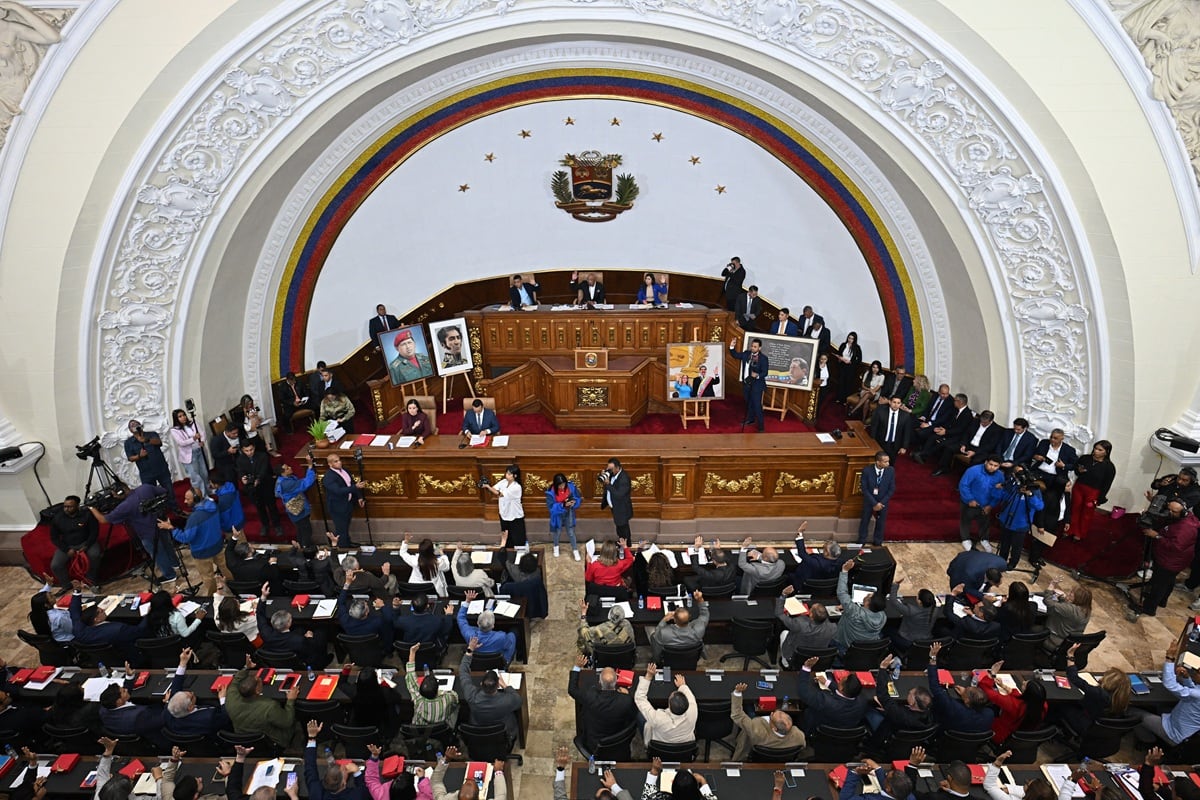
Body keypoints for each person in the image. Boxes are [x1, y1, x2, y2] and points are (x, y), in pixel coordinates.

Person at [92, 482, 178, 586]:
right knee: (167, 545)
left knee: (157, 553)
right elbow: (164, 491)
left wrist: (91, 507)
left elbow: (103, 520)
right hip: (162, 523)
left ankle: (169, 575)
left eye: (115, 494)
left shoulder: (125, 506)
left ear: (120, 492)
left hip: (147, 533)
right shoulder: (145, 488)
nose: (114, 497)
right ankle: (175, 564)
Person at [1131, 499, 1199, 620]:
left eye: (1174, 511)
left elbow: (1176, 547)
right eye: (1169, 509)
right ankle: (1162, 601)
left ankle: (1149, 608)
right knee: (1168, 581)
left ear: (1183, 512)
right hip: (1173, 559)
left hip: (1171, 560)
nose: (1170, 513)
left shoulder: (1186, 528)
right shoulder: (1182, 519)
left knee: (1159, 584)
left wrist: (1156, 536)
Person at [1131, 644, 1200, 747]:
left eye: (1199, 672)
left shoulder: (1197, 695)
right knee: (1156, 706)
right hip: (1179, 725)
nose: (1195, 672)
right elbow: (1193, 692)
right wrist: (1186, 678)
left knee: (1132, 712)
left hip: (1173, 732)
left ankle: (1148, 742)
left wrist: (1170, 659)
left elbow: (1170, 685)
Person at [160, 488, 227, 594]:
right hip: (217, 545)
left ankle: (212, 597)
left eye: (187, 499)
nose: (185, 502)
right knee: (225, 567)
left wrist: (171, 528)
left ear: (195, 499)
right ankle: (235, 586)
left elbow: (185, 538)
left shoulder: (194, 518)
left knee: (208, 577)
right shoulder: (212, 505)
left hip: (202, 552)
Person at [225, 656, 299, 749]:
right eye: (260, 682)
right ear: (257, 691)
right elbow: (287, 722)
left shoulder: (231, 697)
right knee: (296, 720)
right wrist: (290, 701)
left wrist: (246, 668)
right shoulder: (269, 706)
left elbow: (235, 681)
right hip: (273, 741)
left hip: (245, 739)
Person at [568, 656, 638, 750]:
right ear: (616, 681)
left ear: (600, 682)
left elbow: (572, 690)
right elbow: (633, 715)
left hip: (594, 743)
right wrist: (626, 696)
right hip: (618, 743)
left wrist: (577, 667)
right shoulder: (626, 700)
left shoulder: (590, 696)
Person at [256, 582, 332, 668]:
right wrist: (310, 638)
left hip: (282, 656)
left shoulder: (266, 633)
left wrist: (263, 597)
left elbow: (260, 615)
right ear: (288, 624)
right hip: (302, 661)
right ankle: (323, 660)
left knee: (301, 629)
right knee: (321, 632)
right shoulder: (298, 640)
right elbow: (311, 648)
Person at [459, 643, 522, 745]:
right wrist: (506, 686)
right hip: (503, 734)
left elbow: (463, 671)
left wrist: (470, 650)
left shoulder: (471, 696)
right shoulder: (507, 701)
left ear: (481, 683)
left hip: (479, 731)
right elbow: (519, 701)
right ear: (498, 685)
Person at [925, 641, 994, 733]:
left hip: (944, 732)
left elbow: (936, 688)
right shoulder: (989, 714)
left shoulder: (955, 708)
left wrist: (933, 657)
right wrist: (964, 694)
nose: (964, 688)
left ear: (967, 701)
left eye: (966, 690)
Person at [728, 682, 807, 760]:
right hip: (775, 758)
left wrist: (737, 693)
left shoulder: (756, 730)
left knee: (749, 708)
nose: (773, 712)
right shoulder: (799, 736)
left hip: (755, 737)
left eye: (772, 715)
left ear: (774, 728)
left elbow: (737, 715)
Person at [163, 647, 232, 736]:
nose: (192, 692)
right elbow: (225, 718)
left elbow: (175, 689)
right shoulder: (209, 717)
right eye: (191, 696)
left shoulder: (169, 714)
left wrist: (182, 663)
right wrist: (223, 699)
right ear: (190, 707)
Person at [796, 656, 872, 733]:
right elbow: (845, 692)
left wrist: (806, 668)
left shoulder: (825, 701)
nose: (841, 679)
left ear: (841, 688)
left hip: (817, 729)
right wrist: (827, 683)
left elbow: (803, 692)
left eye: (841, 680)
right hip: (843, 733)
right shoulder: (863, 701)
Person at [976, 662, 1048, 744]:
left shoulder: (1014, 705)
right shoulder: (1043, 705)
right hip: (1022, 737)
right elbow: (1021, 697)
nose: (1023, 682)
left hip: (1002, 734)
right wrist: (1003, 686)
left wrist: (992, 674)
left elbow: (987, 691)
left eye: (1025, 685)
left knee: (986, 712)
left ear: (1027, 694)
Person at [869, 657, 933, 741]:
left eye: (911, 694)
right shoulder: (929, 716)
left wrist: (883, 668)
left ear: (913, 702)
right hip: (907, 741)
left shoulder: (900, 715)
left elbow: (883, 696)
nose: (909, 691)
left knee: (868, 708)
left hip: (887, 736)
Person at [1030, 428, 1077, 539]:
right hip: (1040, 473)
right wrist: (1036, 456)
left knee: (1050, 499)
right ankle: (1030, 520)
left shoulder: (1068, 450)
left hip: (1055, 477)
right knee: (1031, 490)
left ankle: (1043, 525)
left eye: (1055, 438)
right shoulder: (1043, 443)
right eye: (1051, 437)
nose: (1052, 439)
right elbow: (1034, 453)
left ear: (1062, 438)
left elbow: (1074, 465)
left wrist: (1064, 466)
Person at [1064, 440, 1116, 541]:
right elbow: (1076, 470)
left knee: (1086, 513)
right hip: (1079, 487)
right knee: (1074, 508)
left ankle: (1079, 533)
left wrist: (1100, 498)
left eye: (1100, 450)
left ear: (1106, 452)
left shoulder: (1109, 467)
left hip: (1093, 491)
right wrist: (1078, 471)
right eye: (1095, 448)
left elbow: (1106, 484)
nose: (1096, 451)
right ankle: (1070, 529)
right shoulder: (1085, 458)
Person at [833, 558, 887, 653]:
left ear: (867, 603)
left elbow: (842, 592)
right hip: (866, 648)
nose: (867, 594)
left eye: (869, 595)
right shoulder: (883, 616)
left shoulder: (854, 612)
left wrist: (845, 571)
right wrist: (847, 606)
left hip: (845, 646)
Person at [49, 494, 101, 590]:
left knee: (95, 555)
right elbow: (54, 537)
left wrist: (86, 545)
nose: (66, 509)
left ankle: (90, 580)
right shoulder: (58, 518)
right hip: (68, 545)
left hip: (86, 542)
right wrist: (66, 549)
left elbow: (94, 532)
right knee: (55, 565)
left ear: (77, 506)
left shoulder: (87, 515)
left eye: (70, 507)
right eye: (65, 506)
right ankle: (66, 585)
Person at [995, 471, 1045, 569]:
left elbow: (1040, 506)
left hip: (1021, 524)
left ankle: (1012, 563)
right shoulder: (1015, 487)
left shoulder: (1034, 490)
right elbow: (1005, 497)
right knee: (1004, 544)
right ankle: (1001, 560)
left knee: (1016, 547)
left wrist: (1030, 495)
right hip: (1007, 520)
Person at [776, 588, 835, 668]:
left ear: (811, 615)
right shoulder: (833, 627)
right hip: (816, 657)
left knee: (784, 633)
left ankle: (786, 663)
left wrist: (783, 595)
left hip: (794, 656)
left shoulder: (799, 624)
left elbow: (779, 614)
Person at [404, 642, 459, 726]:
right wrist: (442, 692)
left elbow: (410, 675)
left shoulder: (418, 699)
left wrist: (412, 652)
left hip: (420, 731)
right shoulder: (447, 698)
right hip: (440, 730)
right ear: (437, 690)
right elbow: (455, 697)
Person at [237, 439, 283, 539]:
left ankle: (277, 525)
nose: (249, 452)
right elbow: (240, 471)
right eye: (246, 451)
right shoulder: (240, 459)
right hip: (252, 489)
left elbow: (264, 470)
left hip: (265, 485)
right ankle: (265, 525)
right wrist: (243, 478)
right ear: (242, 450)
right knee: (259, 508)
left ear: (254, 447)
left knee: (272, 506)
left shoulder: (262, 456)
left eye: (251, 450)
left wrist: (258, 479)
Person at [303, 721, 361, 800]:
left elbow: (310, 767)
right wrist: (357, 771)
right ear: (343, 783)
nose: (343, 766)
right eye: (344, 770)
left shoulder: (316, 792)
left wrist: (312, 737)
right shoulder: (354, 796)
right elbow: (365, 789)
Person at [958, 455, 1005, 551]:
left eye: (995, 466)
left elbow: (999, 492)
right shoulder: (973, 470)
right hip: (971, 502)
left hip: (986, 504)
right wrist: (969, 499)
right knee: (966, 520)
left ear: (999, 466)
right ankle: (965, 539)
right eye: (990, 464)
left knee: (985, 522)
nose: (992, 467)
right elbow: (963, 485)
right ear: (986, 462)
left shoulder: (1000, 475)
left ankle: (984, 539)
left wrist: (991, 505)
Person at [458, 590, 516, 663]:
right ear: (493, 626)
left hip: (477, 662)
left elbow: (460, 618)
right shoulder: (501, 636)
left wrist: (467, 601)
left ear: (477, 623)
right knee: (512, 635)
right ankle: (506, 661)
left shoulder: (469, 635)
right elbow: (508, 645)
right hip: (498, 663)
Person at [649, 590, 709, 661]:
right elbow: (704, 614)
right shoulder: (699, 629)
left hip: (669, 660)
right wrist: (700, 599)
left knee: (651, 631)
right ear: (689, 618)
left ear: (674, 620)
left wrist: (664, 620)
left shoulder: (664, 633)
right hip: (690, 659)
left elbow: (656, 635)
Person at [914, 392, 973, 463]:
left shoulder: (967, 414)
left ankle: (923, 454)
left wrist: (946, 432)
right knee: (933, 436)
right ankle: (922, 455)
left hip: (957, 437)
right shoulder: (955, 410)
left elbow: (960, 429)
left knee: (943, 443)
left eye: (955, 400)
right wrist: (942, 428)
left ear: (959, 402)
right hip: (949, 431)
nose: (953, 402)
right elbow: (949, 422)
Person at [323, 453, 365, 547]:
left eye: (339, 460)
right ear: (330, 464)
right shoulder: (328, 477)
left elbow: (351, 483)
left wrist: (359, 497)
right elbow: (338, 491)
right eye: (336, 461)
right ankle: (343, 547)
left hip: (347, 504)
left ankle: (347, 542)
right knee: (341, 528)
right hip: (337, 507)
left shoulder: (344, 470)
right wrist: (355, 487)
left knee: (346, 526)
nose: (339, 462)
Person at [276, 456, 317, 547]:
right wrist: (310, 467)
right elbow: (305, 483)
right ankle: (306, 548)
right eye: (287, 468)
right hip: (299, 510)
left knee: (300, 530)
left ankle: (302, 546)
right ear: (283, 473)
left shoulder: (281, 480)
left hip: (294, 510)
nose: (290, 467)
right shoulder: (287, 483)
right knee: (306, 530)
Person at [886, 581, 938, 654]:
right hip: (925, 641)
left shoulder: (911, 611)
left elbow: (893, 600)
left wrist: (895, 585)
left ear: (919, 601)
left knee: (887, 629)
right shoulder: (935, 610)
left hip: (907, 640)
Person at [729, 337, 769, 431]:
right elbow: (735, 355)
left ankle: (761, 426)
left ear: (760, 348)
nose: (753, 348)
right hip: (746, 383)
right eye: (752, 346)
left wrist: (757, 375)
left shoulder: (763, 358)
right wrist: (732, 346)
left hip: (757, 385)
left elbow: (765, 372)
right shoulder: (746, 354)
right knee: (749, 403)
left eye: (755, 347)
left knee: (757, 404)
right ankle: (750, 419)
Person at [1042, 577, 1092, 651]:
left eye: (1072, 593)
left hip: (1054, 641)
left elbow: (1048, 601)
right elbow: (1068, 608)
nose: (1069, 593)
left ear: (1078, 598)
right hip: (1069, 643)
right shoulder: (1086, 609)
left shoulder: (1070, 609)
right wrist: (1064, 598)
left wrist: (1052, 585)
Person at [482, 464, 525, 547]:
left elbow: (500, 494)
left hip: (515, 516)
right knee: (506, 535)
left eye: (509, 474)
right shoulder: (503, 482)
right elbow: (494, 489)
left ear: (515, 476)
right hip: (504, 513)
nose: (506, 475)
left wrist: (488, 486)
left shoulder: (517, 487)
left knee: (517, 538)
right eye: (506, 473)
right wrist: (488, 486)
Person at [124, 418, 173, 492]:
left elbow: (159, 442)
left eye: (136, 423)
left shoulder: (152, 434)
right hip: (146, 473)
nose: (135, 425)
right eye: (132, 425)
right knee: (150, 493)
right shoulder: (128, 443)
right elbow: (130, 458)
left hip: (161, 468)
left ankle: (172, 503)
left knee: (169, 489)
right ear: (130, 430)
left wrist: (146, 440)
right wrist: (139, 456)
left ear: (141, 426)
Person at [859, 451, 896, 545]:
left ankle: (878, 541)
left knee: (881, 522)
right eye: (885, 462)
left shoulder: (891, 470)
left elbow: (891, 489)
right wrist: (874, 503)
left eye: (888, 461)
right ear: (878, 462)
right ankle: (862, 540)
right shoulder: (867, 470)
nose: (888, 464)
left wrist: (881, 503)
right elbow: (864, 488)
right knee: (865, 520)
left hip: (883, 501)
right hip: (869, 501)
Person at [168, 408, 208, 496]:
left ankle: (208, 490)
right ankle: (202, 495)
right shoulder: (174, 430)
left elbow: (202, 433)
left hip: (199, 450)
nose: (183, 417)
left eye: (184, 415)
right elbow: (181, 443)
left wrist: (202, 441)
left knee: (204, 473)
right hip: (188, 455)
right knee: (195, 477)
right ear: (176, 418)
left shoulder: (193, 423)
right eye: (180, 416)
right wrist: (193, 439)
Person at [545, 472, 582, 559]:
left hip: (569, 512)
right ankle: (556, 547)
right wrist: (562, 505)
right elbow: (551, 508)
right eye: (560, 485)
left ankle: (575, 550)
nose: (562, 487)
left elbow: (577, 497)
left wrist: (574, 502)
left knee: (571, 532)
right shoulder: (551, 492)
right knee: (557, 532)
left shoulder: (571, 487)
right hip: (558, 515)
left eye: (563, 484)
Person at [839, 760, 914, 800]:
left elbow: (845, 798)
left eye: (886, 775)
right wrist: (877, 768)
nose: (885, 774)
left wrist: (855, 773)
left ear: (888, 788)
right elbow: (890, 786)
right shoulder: (907, 793)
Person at [599, 458, 633, 539]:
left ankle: (626, 546)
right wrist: (603, 475)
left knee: (623, 529)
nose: (609, 471)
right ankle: (621, 542)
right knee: (619, 527)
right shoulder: (612, 474)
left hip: (622, 509)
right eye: (608, 468)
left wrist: (608, 484)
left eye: (611, 469)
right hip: (615, 507)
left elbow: (619, 495)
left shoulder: (624, 479)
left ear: (618, 468)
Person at [870, 395, 911, 460]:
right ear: (890, 402)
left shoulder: (905, 416)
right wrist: (872, 442)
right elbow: (874, 427)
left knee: (891, 464)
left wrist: (904, 447)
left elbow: (907, 432)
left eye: (898, 403)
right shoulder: (880, 412)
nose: (896, 405)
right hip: (880, 442)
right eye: (894, 402)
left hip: (895, 445)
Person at [835, 332, 864, 401]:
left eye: (852, 339)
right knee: (841, 382)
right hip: (842, 365)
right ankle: (839, 398)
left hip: (850, 367)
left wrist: (850, 362)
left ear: (854, 340)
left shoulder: (857, 347)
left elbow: (859, 359)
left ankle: (846, 399)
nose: (850, 340)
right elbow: (839, 354)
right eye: (849, 338)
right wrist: (840, 358)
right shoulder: (843, 345)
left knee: (848, 383)